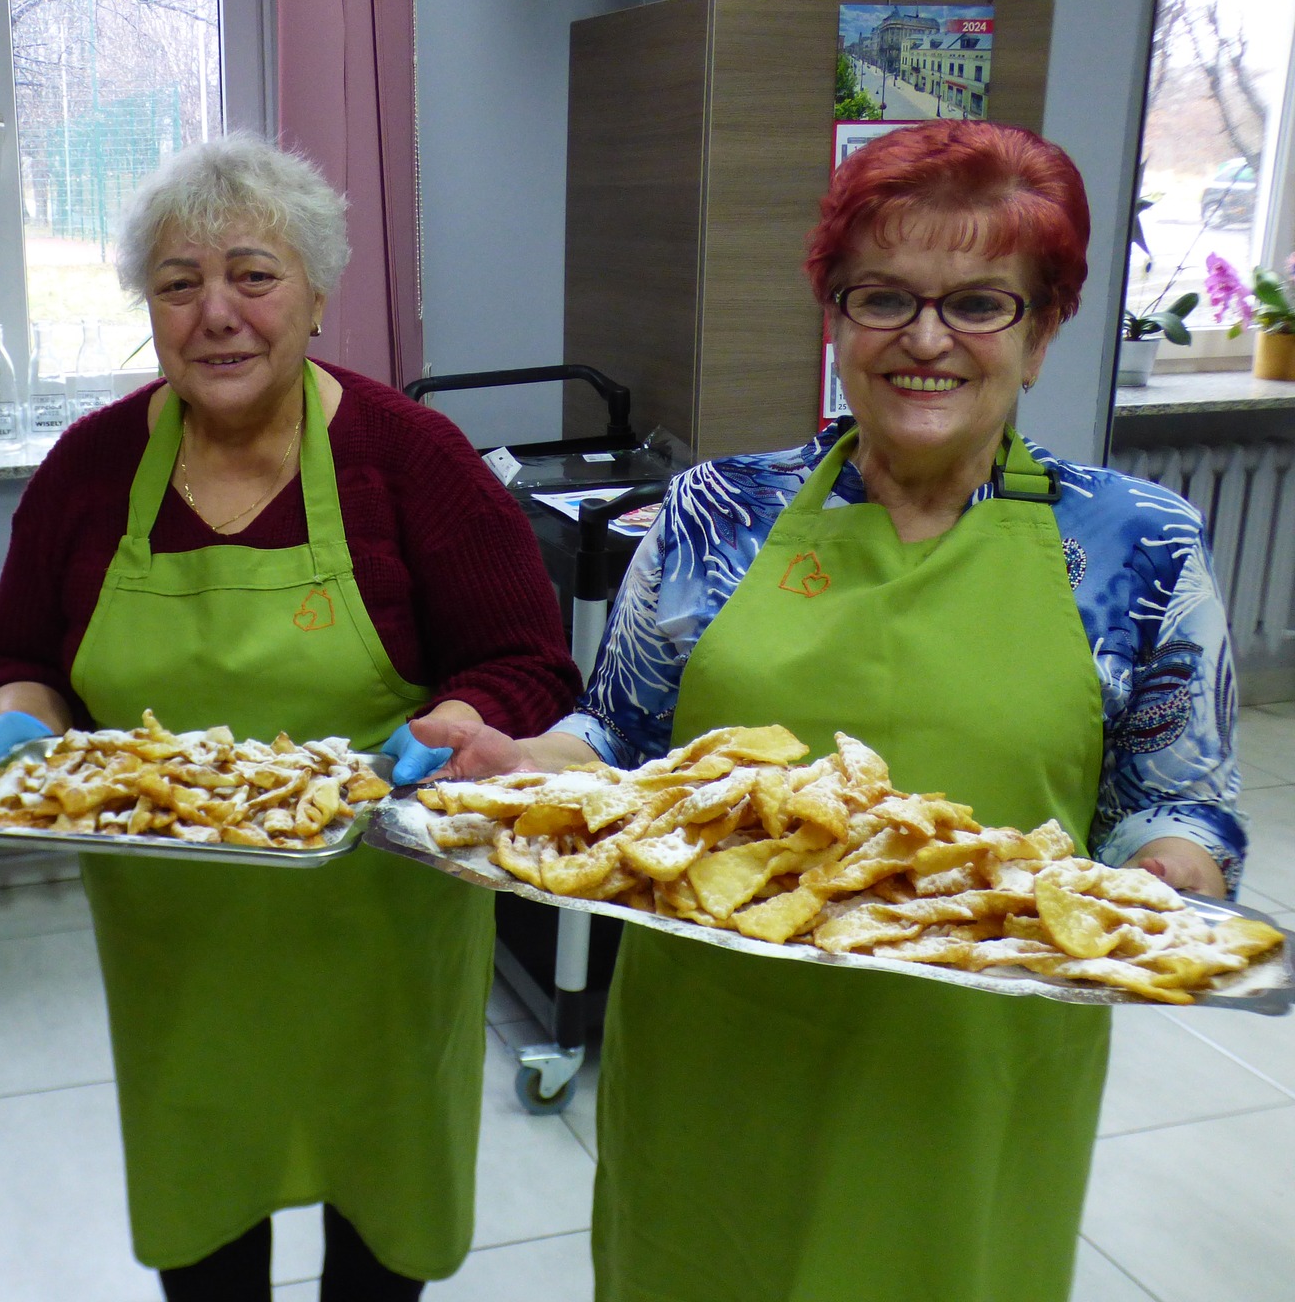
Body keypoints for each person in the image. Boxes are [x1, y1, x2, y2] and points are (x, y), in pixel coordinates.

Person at [413, 120, 1248, 1302]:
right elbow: (616, 740)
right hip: (713, 1061)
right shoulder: (715, 512)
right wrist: (520, 762)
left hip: (967, 1085)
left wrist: (1162, 879)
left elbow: (1178, 804)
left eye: (977, 304)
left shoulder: (1133, 544)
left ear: (1045, 328)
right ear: (833, 318)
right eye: (882, 298)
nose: (923, 340)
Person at [0, 133, 578, 1299]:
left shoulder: (411, 459)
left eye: (253, 275)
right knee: (204, 1227)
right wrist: (15, 713)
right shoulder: (92, 469)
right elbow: (15, 651)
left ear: (315, 295)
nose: (217, 314)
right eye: (178, 283)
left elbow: (521, 659)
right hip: (179, 949)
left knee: (379, 1235)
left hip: (381, 930)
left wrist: (456, 719)